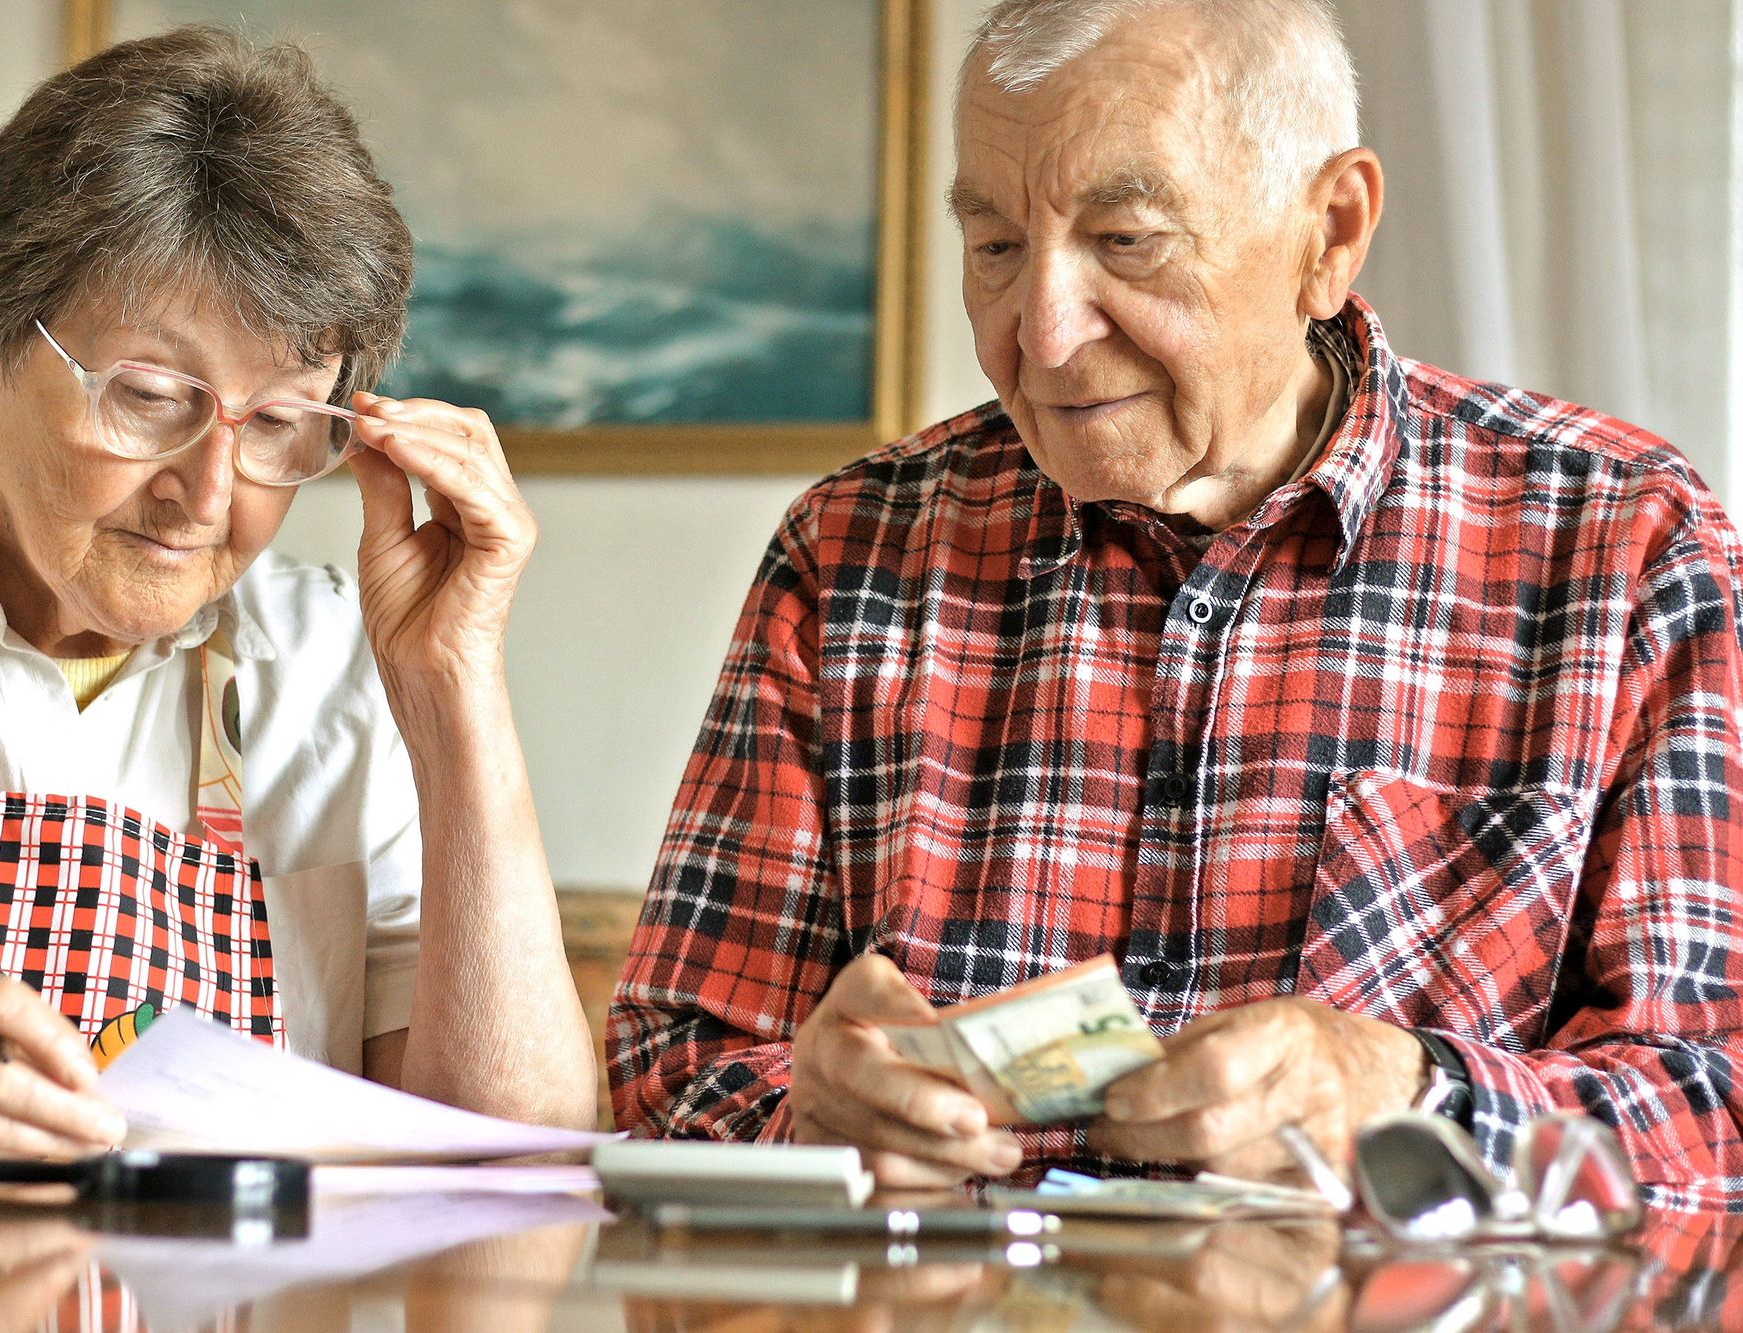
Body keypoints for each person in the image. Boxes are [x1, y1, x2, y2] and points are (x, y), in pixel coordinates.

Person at [609, 0, 1743, 1204]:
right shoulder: (851, 552)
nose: (1038, 336)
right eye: (993, 246)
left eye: (1127, 240)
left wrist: (1408, 1096)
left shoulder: (1623, 542)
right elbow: (665, 1077)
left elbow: (1713, 1108)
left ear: (1330, 231)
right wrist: (804, 1123)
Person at [0, 25, 595, 1176]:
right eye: (148, 397)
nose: (206, 492)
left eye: (283, 424)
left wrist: (458, 692)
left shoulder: (336, 671)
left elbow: (515, 1171)